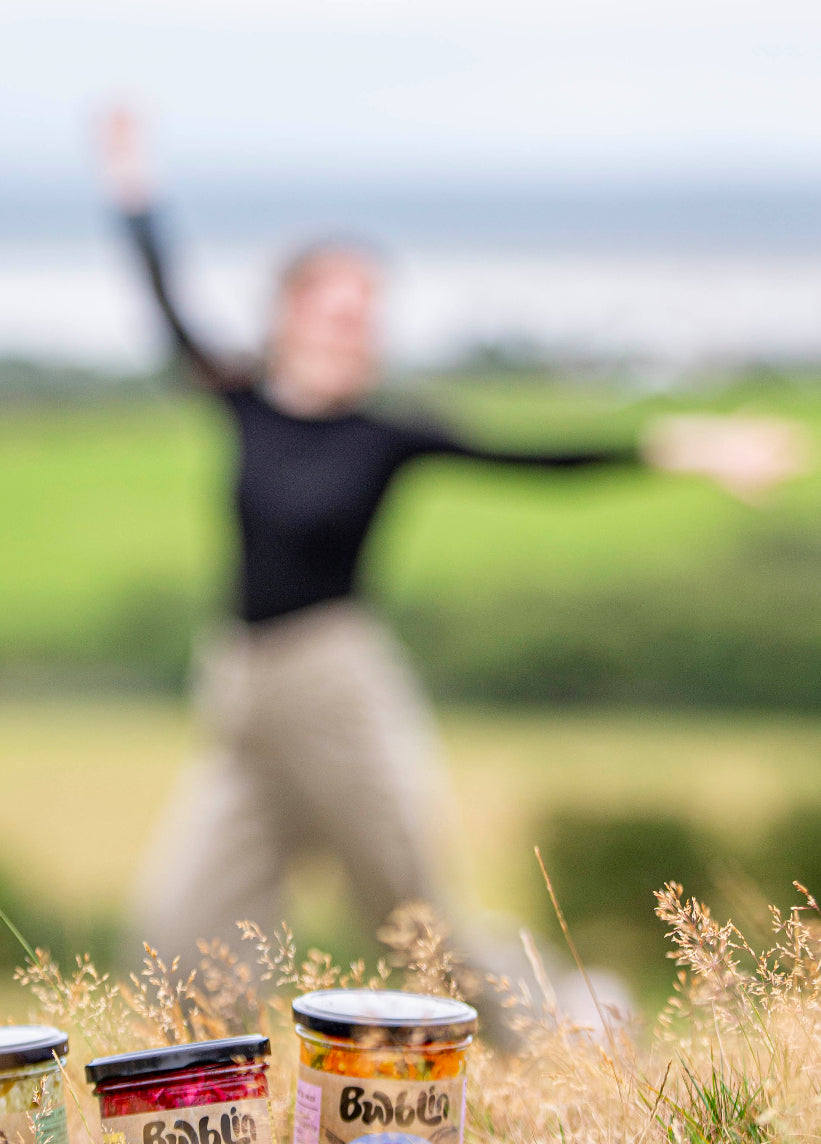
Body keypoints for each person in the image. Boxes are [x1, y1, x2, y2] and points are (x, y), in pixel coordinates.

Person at [97, 109, 807, 1044]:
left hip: (333, 688)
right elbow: (168, 303)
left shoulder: (388, 434)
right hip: (240, 693)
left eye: (368, 310)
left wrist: (690, 446)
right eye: (337, 305)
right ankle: (218, 1104)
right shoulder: (242, 402)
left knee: (413, 923)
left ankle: (574, 1028)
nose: (356, 324)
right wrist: (133, 192)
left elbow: (538, 460)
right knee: (179, 933)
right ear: (288, 313)